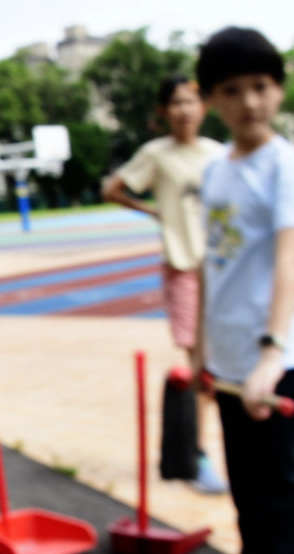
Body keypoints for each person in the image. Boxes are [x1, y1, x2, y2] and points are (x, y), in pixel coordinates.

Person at [188, 26, 294, 554]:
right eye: (234, 90)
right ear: (212, 100)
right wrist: (203, 346)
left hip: (271, 364)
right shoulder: (216, 170)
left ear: (278, 88)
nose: (251, 102)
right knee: (250, 500)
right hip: (228, 364)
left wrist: (271, 352)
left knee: (279, 501)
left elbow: (288, 256)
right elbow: (211, 263)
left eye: (261, 86)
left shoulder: (284, 163)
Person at [102, 74, 227, 494]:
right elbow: (111, 188)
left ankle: (203, 449)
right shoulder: (156, 154)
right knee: (200, 368)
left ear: (205, 107)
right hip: (183, 267)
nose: (184, 110)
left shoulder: (218, 154)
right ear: (162, 111)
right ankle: (197, 455)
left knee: (225, 364)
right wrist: (153, 213)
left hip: (222, 268)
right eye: (175, 103)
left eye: (191, 101)